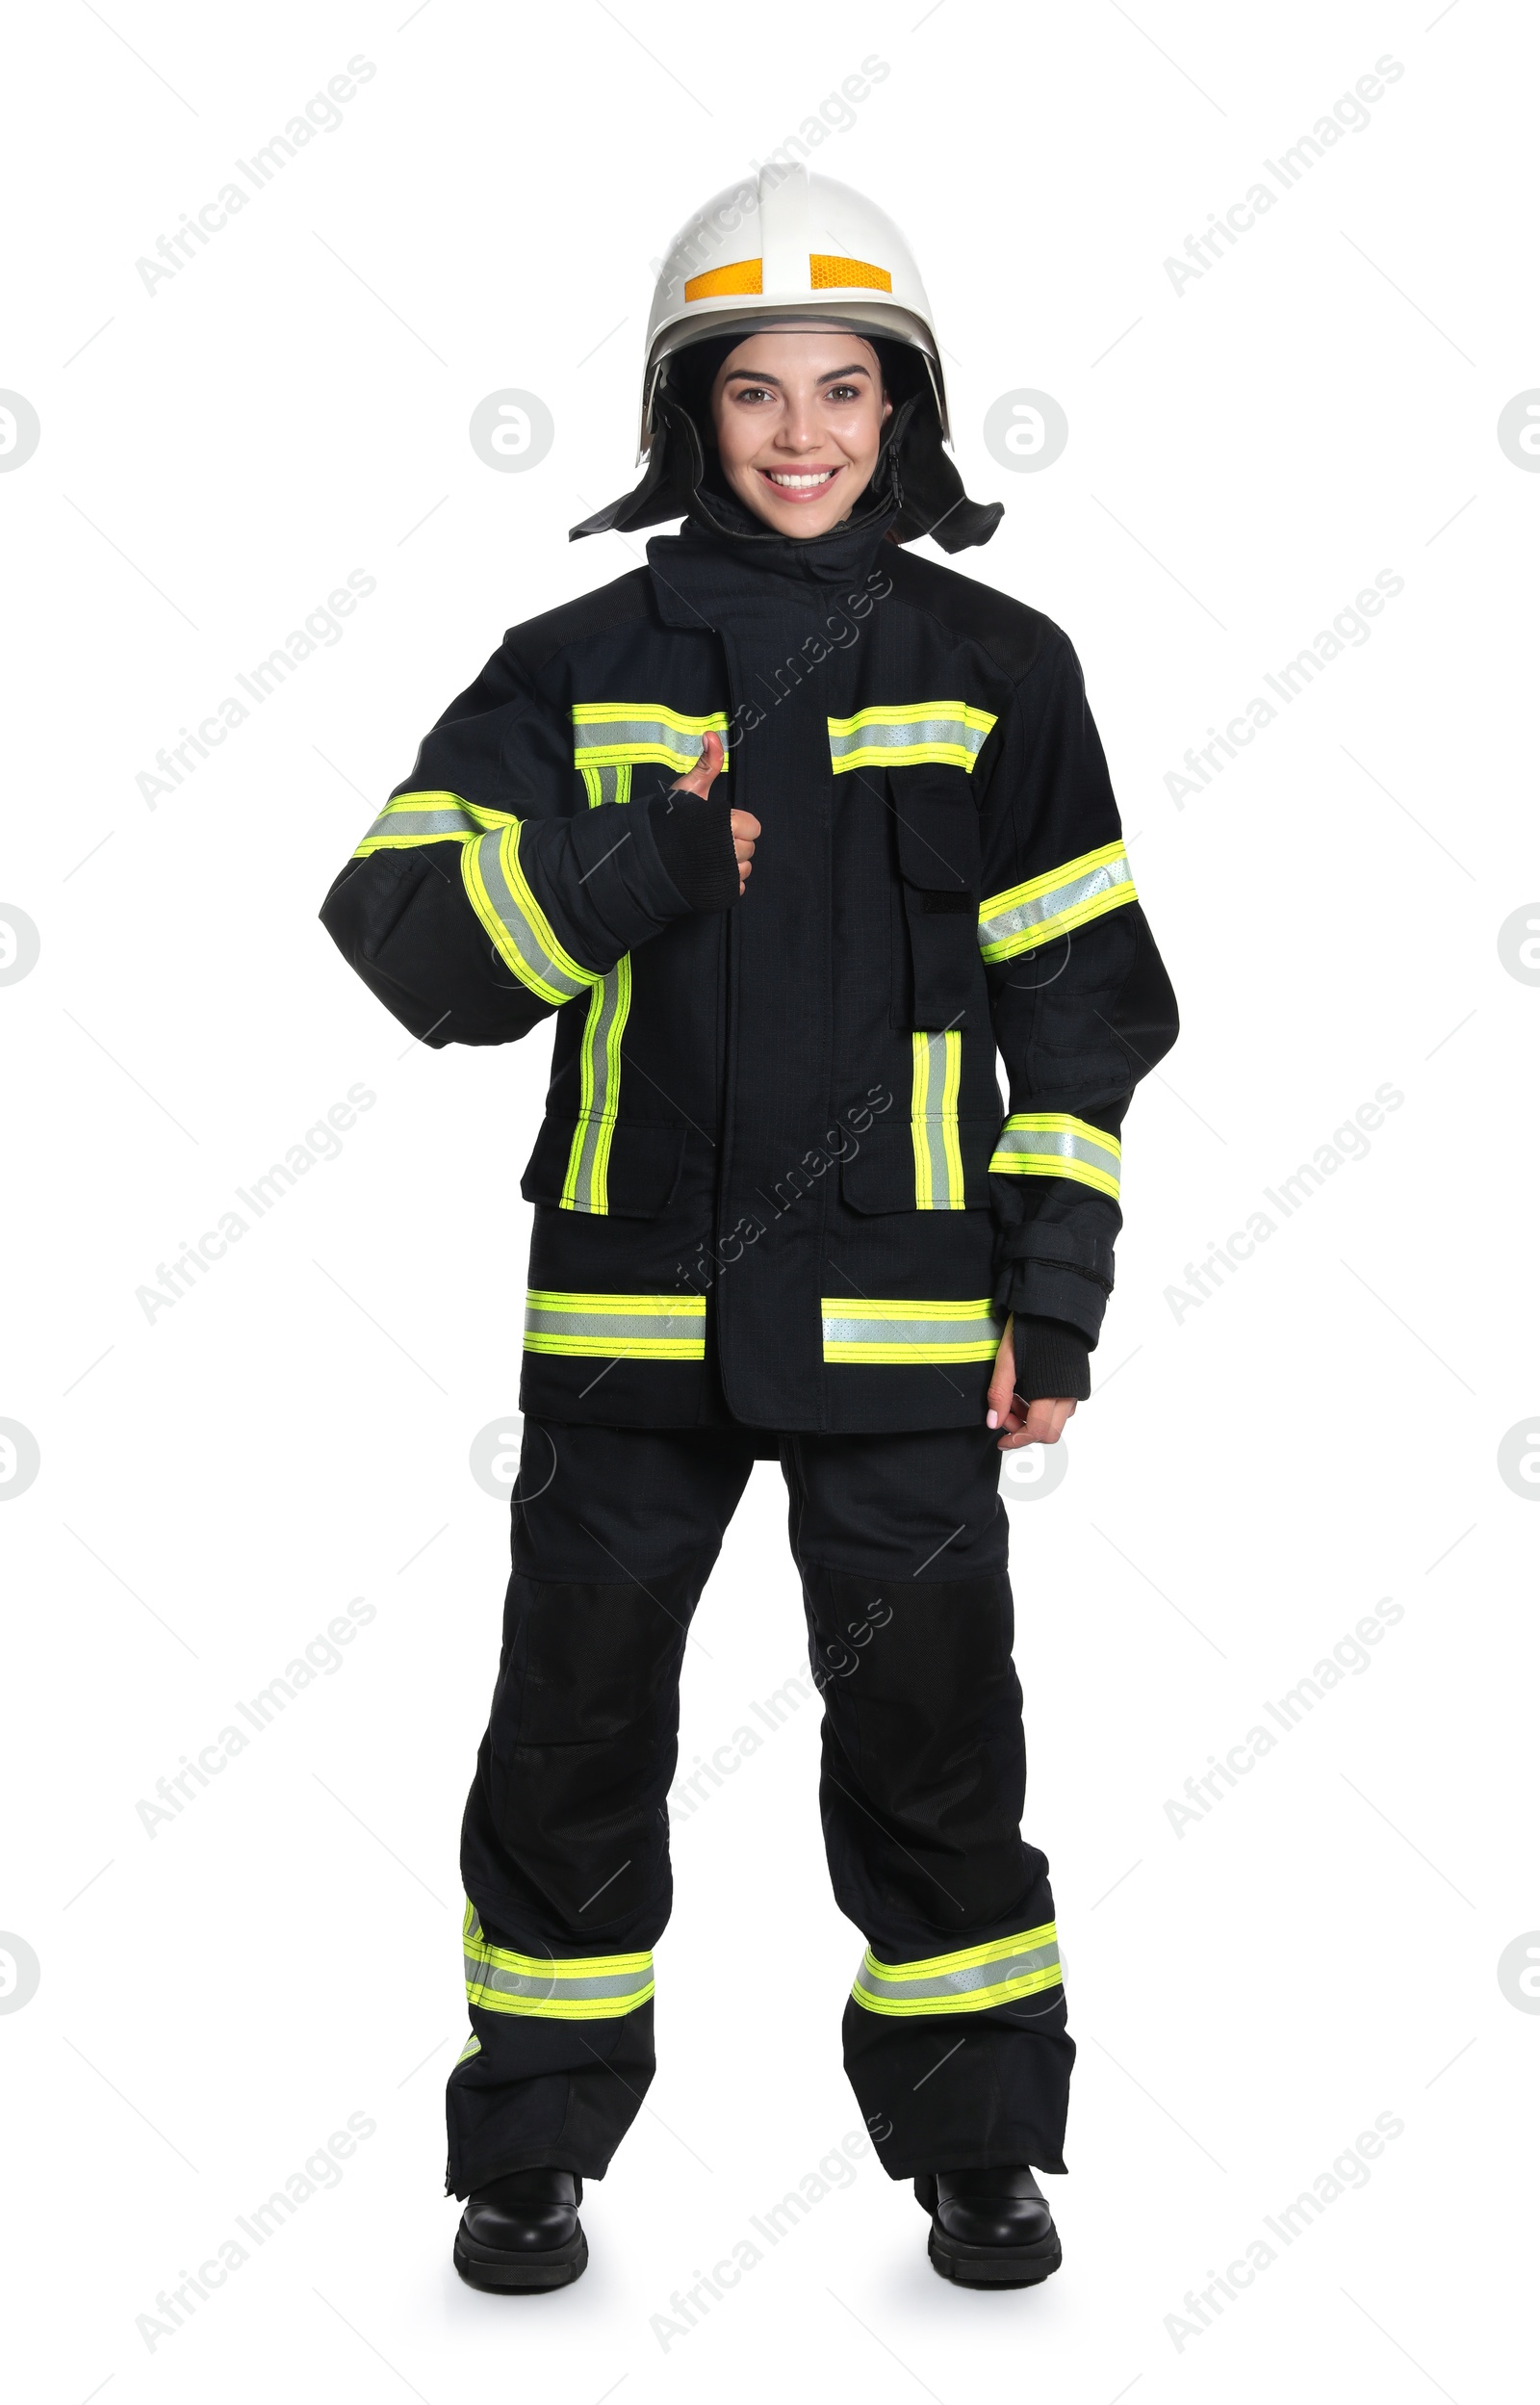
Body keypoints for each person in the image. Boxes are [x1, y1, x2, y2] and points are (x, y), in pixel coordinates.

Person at [320, 163, 1178, 2293]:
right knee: (572, 1733)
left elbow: (1084, 1006)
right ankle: (529, 2150)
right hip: (625, 1320)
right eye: (754, 395)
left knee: (931, 1739)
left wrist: (1048, 1297)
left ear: (906, 410)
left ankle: (977, 2139)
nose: (800, 436)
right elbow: (405, 943)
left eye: (844, 392)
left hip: (905, 1320)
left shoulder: (1001, 667)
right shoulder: (574, 663)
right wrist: (623, 877)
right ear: (682, 414)